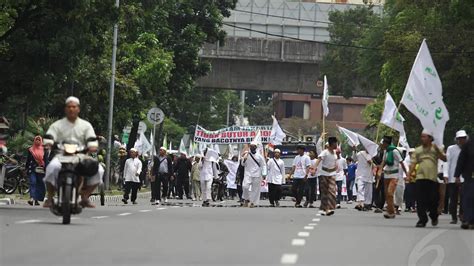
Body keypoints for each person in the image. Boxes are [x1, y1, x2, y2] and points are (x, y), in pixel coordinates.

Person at [43, 96, 103, 208]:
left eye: (74, 107)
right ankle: (50, 198)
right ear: (65, 109)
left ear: (78, 109)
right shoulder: (57, 125)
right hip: (61, 154)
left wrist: (92, 146)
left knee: (99, 170)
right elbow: (50, 135)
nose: (71, 109)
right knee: (51, 168)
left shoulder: (86, 125)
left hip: (80, 155)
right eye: (69, 107)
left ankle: (85, 197)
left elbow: (91, 138)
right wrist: (48, 143)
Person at [409, 129, 446, 227]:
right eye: (422, 136)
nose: (422, 139)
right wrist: (409, 174)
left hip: (432, 178)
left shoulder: (435, 149)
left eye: (424, 137)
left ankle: (434, 216)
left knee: (433, 200)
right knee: (420, 200)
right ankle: (422, 220)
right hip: (420, 178)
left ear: (430, 138)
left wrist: (438, 151)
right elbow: (413, 163)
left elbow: (444, 159)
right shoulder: (418, 150)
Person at [377, 136, 407, 219]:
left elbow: (401, 163)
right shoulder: (386, 151)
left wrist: (407, 173)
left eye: (383, 143)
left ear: (386, 143)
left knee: (390, 193)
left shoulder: (394, 151)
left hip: (394, 175)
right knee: (387, 195)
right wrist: (380, 171)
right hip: (386, 175)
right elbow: (383, 162)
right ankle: (390, 212)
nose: (381, 145)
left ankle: (392, 211)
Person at [444, 130, 468, 224]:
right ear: (456, 139)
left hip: (465, 178)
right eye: (460, 139)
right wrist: (445, 174)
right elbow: (447, 162)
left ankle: (462, 215)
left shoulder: (469, 148)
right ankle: (454, 217)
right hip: (452, 177)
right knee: (453, 199)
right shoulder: (451, 148)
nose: (461, 140)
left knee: (464, 198)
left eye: (463, 138)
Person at [315, 137, 338, 216]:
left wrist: (336, 167)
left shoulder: (335, 152)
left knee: (332, 191)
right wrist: (314, 168)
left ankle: (330, 208)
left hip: (332, 174)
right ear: (331, 144)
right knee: (324, 192)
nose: (336, 145)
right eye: (335, 144)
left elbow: (335, 161)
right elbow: (319, 159)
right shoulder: (325, 152)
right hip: (324, 173)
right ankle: (325, 209)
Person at [454, 137, 474, 229]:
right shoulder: (469, 144)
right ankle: (467, 219)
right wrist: (457, 175)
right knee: (468, 197)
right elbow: (461, 160)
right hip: (470, 176)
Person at [241, 142, 266, 208]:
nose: (252, 147)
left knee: (255, 190)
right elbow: (242, 164)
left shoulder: (259, 156)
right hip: (248, 174)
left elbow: (264, 165)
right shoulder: (246, 155)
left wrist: (264, 174)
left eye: (253, 146)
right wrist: (244, 159)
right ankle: (246, 199)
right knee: (245, 186)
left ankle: (253, 202)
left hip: (257, 174)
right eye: (251, 146)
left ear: (256, 147)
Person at [26, 136, 46, 206]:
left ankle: (36, 199)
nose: (37, 141)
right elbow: (28, 160)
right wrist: (26, 169)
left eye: (39, 140)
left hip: (41, 169)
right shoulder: (30, 150)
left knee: (40, 184)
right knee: (33, 182)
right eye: (36, 140)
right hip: (32, 169)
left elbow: (46, 159)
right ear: (34, 141)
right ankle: (32, 198)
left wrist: (46, 167)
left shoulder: (44, 149)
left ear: (41, 141)